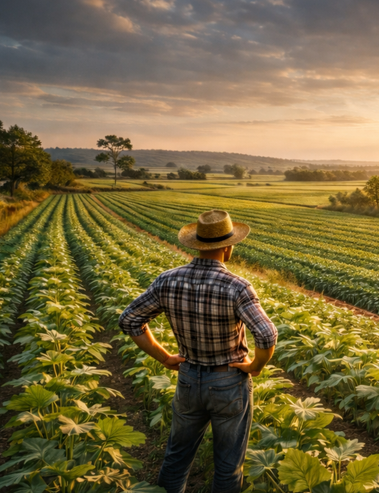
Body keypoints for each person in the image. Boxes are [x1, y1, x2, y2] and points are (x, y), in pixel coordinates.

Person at [119, 210, 278, 493]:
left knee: (177, 457)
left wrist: (165, 357)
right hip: (229, 381)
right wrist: (255, 366)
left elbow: (130, 320)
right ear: (228, 247)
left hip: (189, 378)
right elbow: (266, 334)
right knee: (228, 466)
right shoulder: (237, 286)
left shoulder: (167, 279)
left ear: (197, 244)